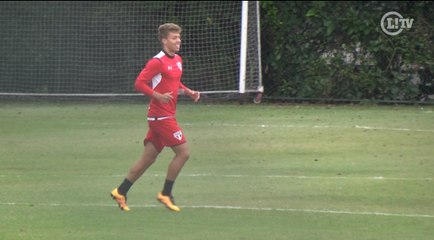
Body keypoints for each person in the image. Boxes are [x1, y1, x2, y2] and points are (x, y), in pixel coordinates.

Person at [111, 23, 200, 212]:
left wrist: (188, 92)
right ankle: (166, 194)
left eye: (179, 37)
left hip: (165, 116)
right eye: (174, 38)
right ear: (164, 40)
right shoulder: (156, 62)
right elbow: (139, 83)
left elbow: (174, 83)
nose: (178, 41)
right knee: (183, 153)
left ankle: (121, 191)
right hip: (161, 117)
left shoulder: (177, 59)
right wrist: (158, 96)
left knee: (148, 158)